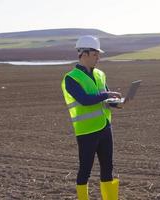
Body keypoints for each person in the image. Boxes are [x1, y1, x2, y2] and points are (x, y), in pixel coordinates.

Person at [61, 35, 121, 200]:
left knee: (108, 168)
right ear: (84, 53)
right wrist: (106, 94)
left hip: (105, 127)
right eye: (95, 54)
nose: (98, 58)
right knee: (85, 169)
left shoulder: (101, 74)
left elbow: (105, 99)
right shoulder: (71, 78)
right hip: (86, 131)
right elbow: (85, 100)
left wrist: (117, 102)